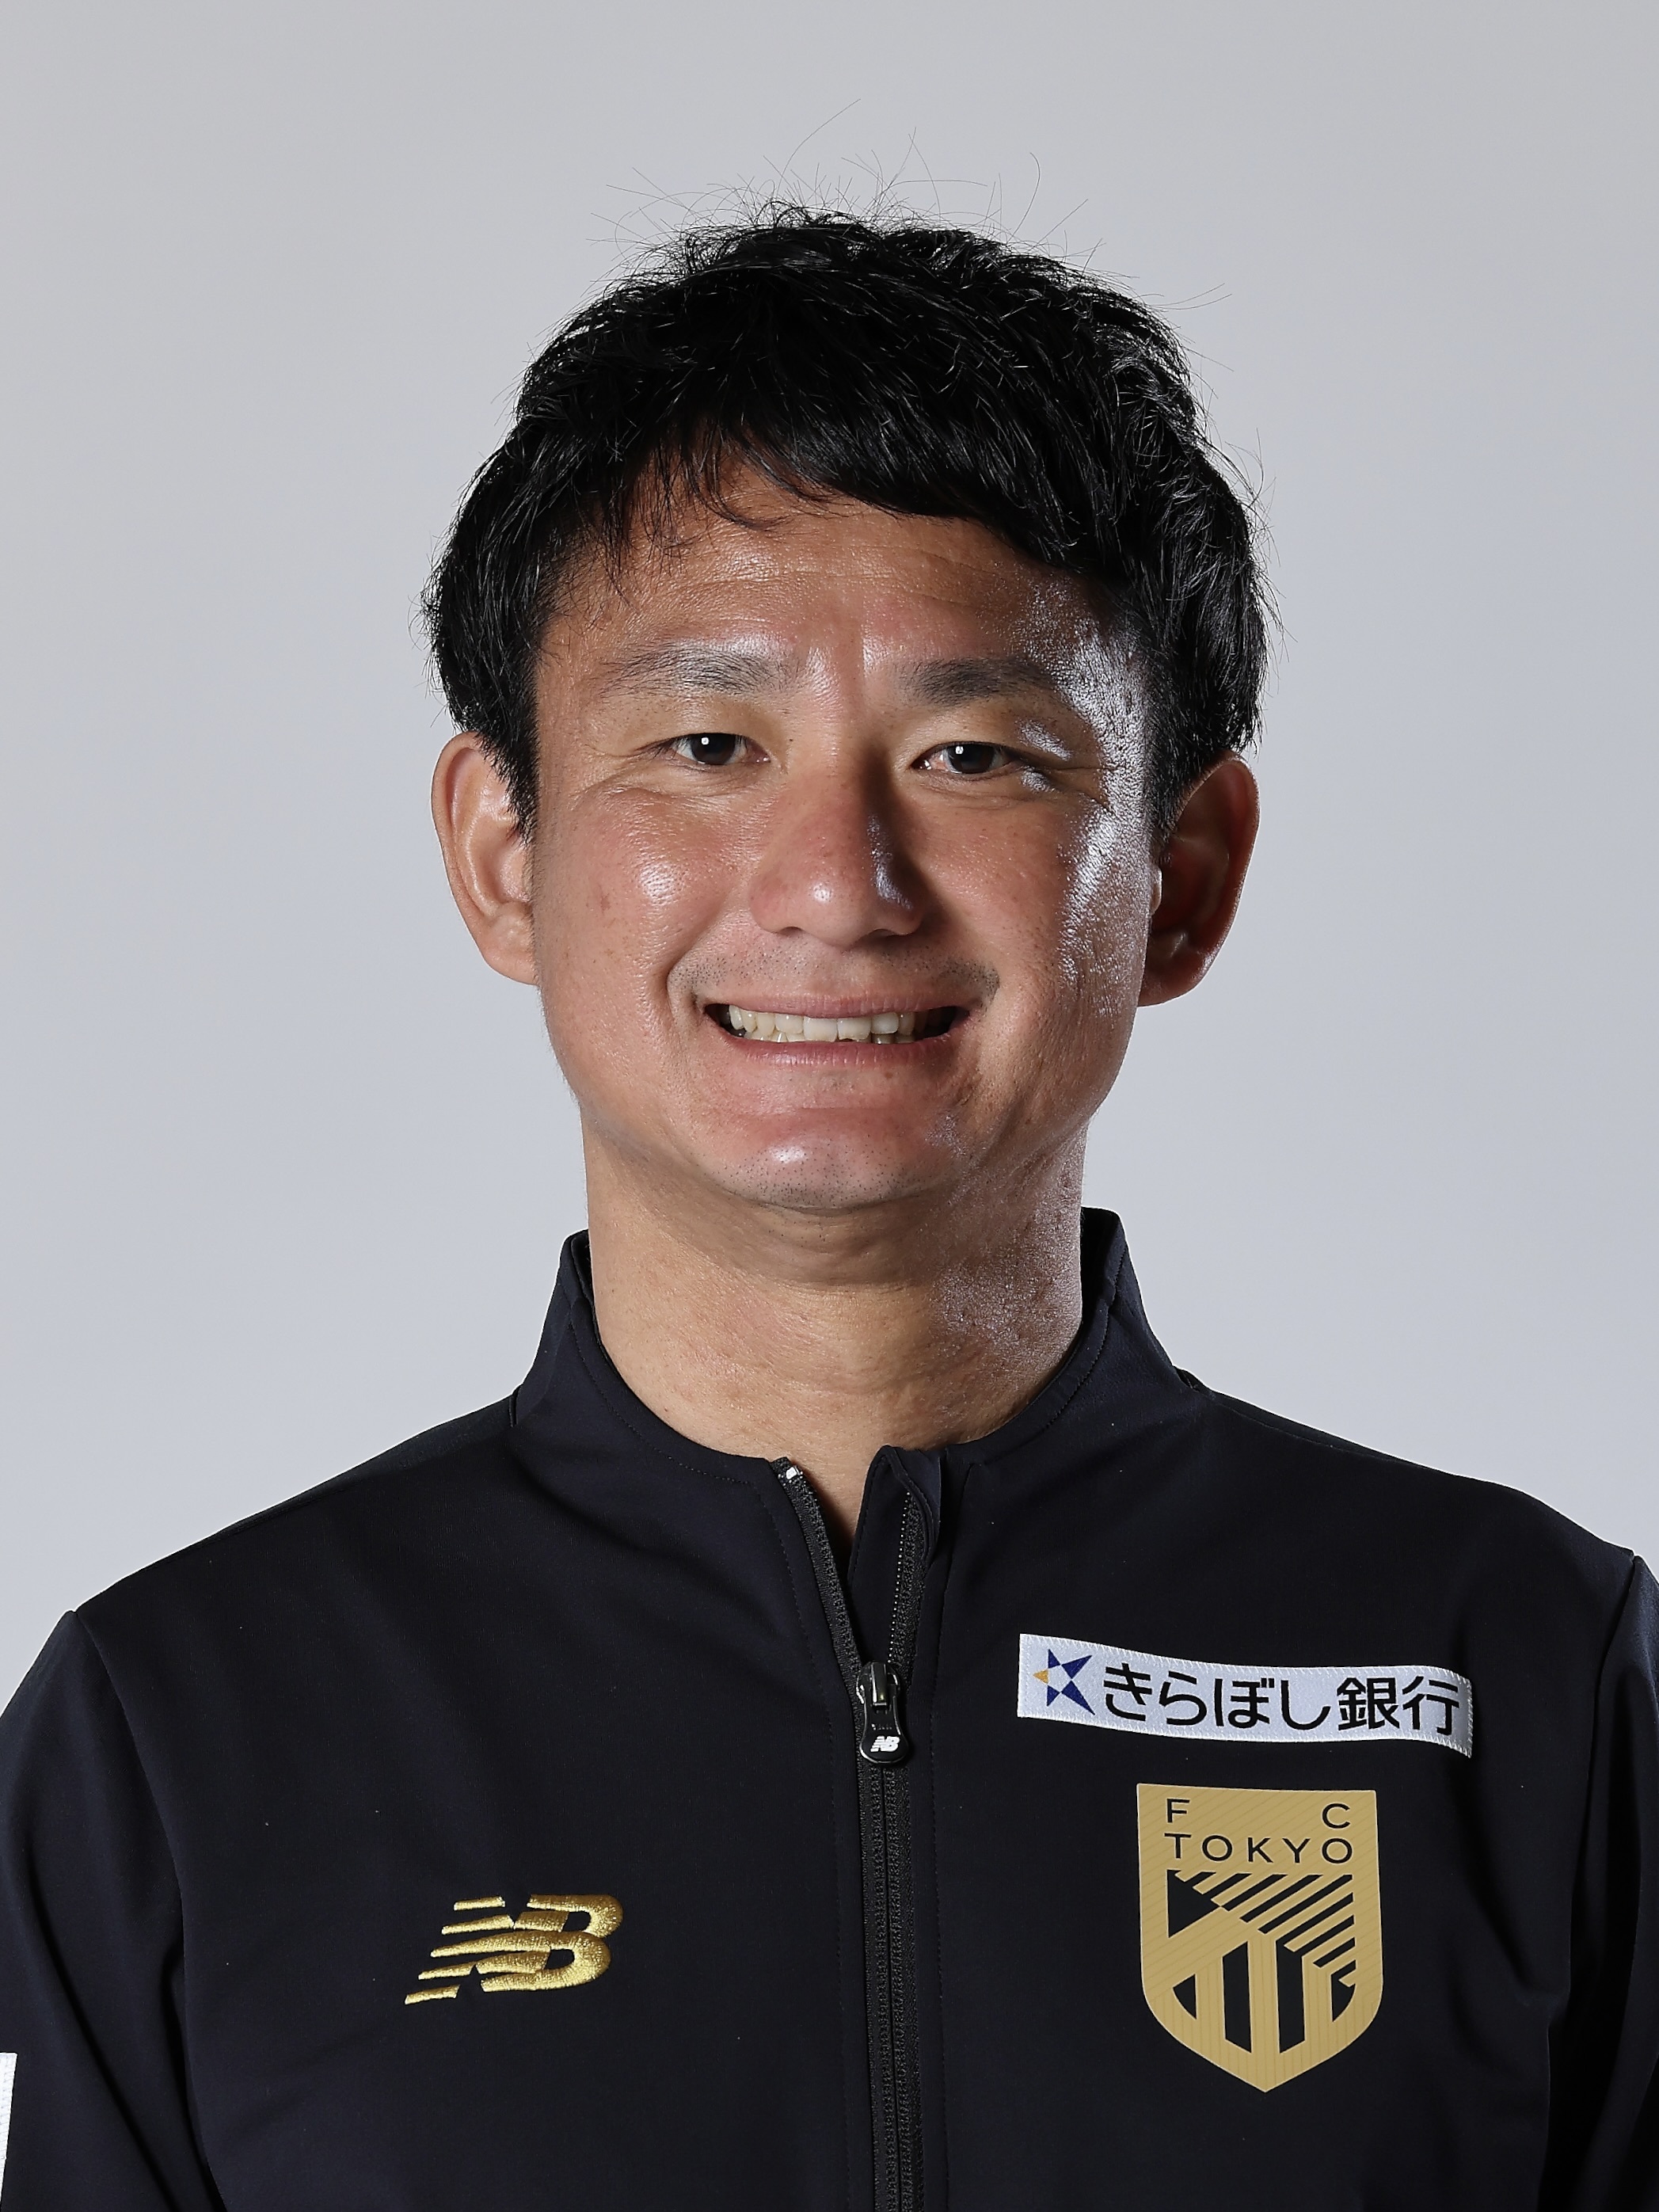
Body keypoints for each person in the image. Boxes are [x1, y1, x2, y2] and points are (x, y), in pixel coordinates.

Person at [0, 209, 1653, 2212]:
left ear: (1183, 874)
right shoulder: (185, 1725)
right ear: (503, 850)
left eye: (975, 753)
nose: (836, 884)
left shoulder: (1533, 1674)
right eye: (707, 744)